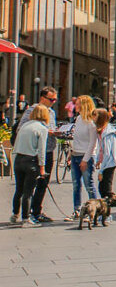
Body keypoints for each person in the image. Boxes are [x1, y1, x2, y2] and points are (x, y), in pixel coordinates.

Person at [21, 87, 60, 223]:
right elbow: (23, 127)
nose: (53, 102)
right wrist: (44, 131)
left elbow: (52, 128)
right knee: (31, 184)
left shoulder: (52, 113)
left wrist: (56, 132)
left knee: (43, 183)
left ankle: (37, 211)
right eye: (51, 99)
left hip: (48, 151)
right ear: (42, 98)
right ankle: (27, 213)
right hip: (34, 152)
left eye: (55, 99)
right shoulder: (31, 111)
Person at [10, 104, 50, 227]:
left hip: (18, 159)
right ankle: (26, 219)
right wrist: (42, 168)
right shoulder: (42, 128)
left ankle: (15, 214)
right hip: (31, 161)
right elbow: (41, 150)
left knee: (19, 189)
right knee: (28, 192)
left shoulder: (24, 126)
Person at [67, 95, 100, 222]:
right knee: (76, 184)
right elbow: (76, 138)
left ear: (84, 105)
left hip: (86, 156)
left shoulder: (91, 122)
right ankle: (77, 210)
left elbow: (93, 143)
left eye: (78, 103)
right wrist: (71, 151)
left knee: (89, 185)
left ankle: (95, 211)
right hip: (76, 154)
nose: (75, 106)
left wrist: (85, 160)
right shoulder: (78, 118)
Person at [94, 109, 116, 200]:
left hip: (111, 160)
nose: (92, 118)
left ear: (100, 118)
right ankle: (108, 203)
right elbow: (101, 149)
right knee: (103, 187)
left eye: (94, 116)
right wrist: (99, 159)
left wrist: (101, 171)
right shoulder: (102, 130)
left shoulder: (107, 133)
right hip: (109, 160)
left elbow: (107, 153)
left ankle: (111, 204)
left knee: (105, 188)